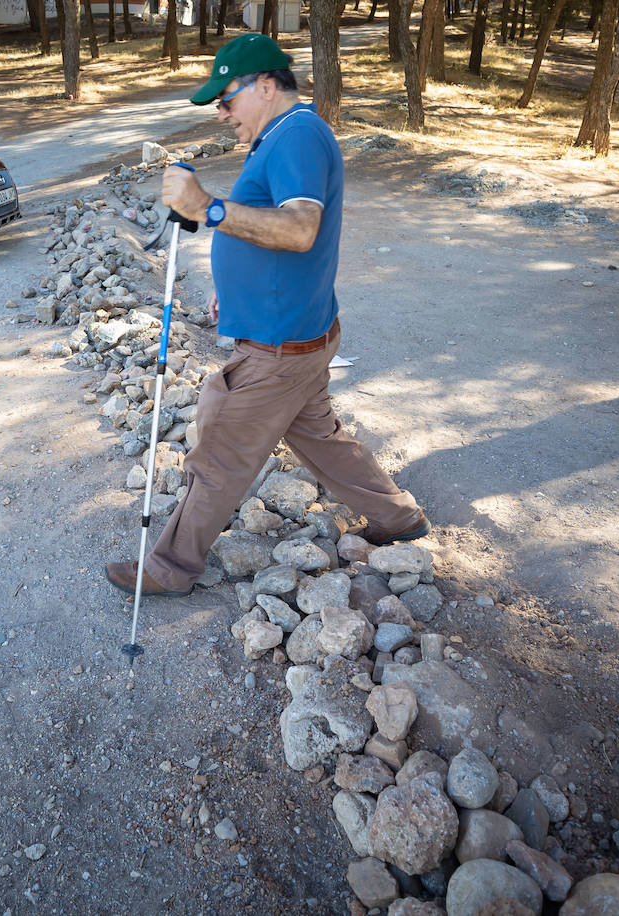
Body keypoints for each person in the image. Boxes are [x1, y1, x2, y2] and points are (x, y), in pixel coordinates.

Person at [105, 33, 430, 598]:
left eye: (226, 99)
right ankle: (398, 518)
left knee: (219, 450)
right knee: (319, 438)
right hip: (299, 334)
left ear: (265, 85)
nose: (222, 112)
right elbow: (269, 232)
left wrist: (205, 206)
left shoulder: (297, 136)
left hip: (278, 349)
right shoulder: (279, 136)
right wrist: (236, 292)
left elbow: (300, 229)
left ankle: (169, 569)